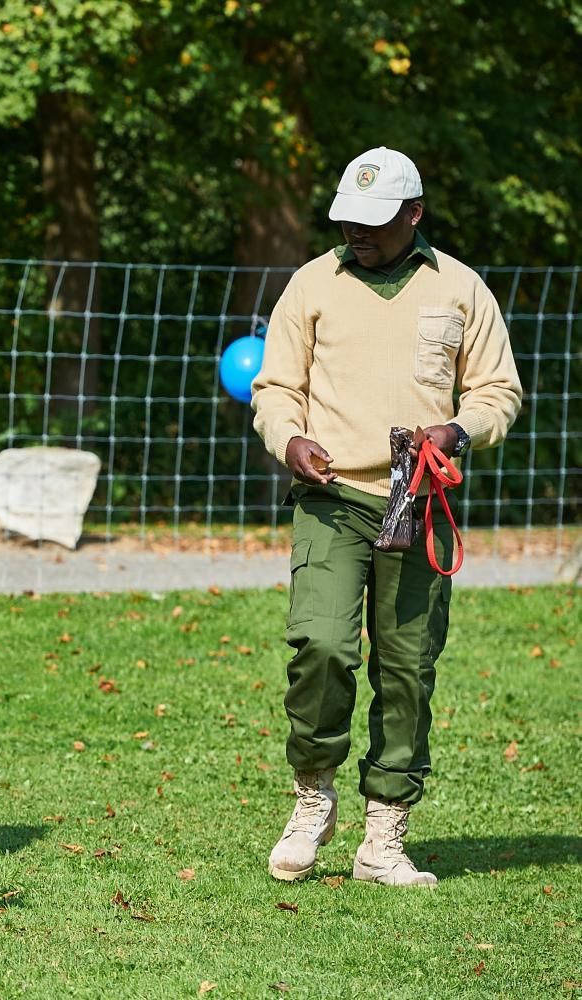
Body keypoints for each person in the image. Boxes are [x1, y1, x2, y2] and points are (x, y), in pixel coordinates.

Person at [251, 146, 522, 887]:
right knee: (323, 647)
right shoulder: (312, 284)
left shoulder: (461, 288)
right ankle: (313, 797)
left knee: (407, 670)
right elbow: (275, 388)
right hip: (333, 502)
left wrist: (457, 433)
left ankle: (384, 835)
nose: (356, 233)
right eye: (346, 220)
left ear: (415, 214)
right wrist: (290, 438)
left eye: (373, 222)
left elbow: (498, 391)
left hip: (421, 501)